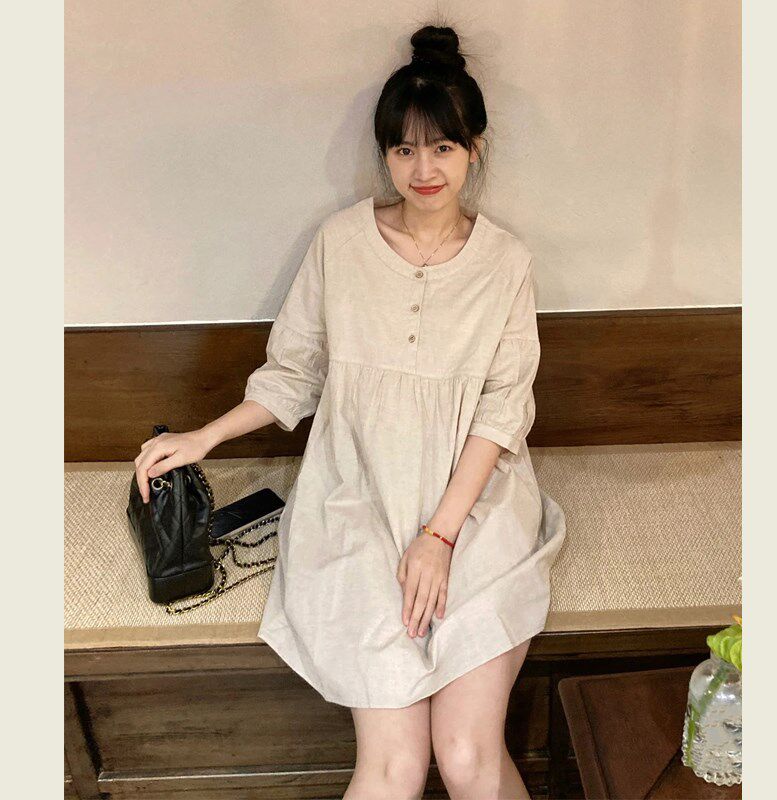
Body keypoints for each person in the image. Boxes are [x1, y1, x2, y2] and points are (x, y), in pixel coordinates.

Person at [134, 23, 566, 800]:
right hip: (357, 499)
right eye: (404, 149)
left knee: (466, 754)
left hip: (474, 508)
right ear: (385, 155)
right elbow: (293, 373)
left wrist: (440, 536)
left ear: (474, 148)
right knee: (394, 766)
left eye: (442, 147)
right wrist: (205, 436)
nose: (423, 169)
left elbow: (503, 412)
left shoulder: (507, 262)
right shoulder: (339, 242)